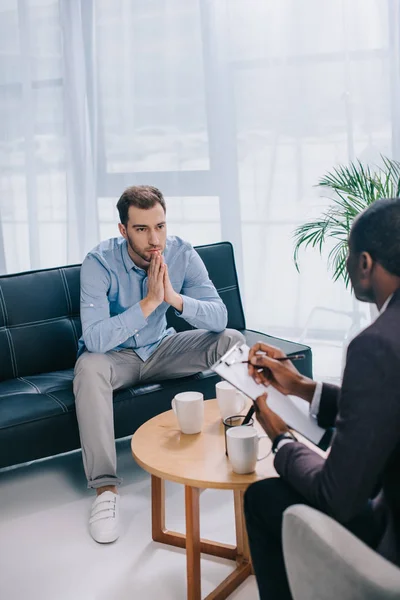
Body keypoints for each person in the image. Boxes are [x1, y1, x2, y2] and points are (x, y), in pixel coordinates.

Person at [244, 197, 400, 599]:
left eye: (349, 255)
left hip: (393, 549)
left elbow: (339, 498)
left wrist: (281, 440)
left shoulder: (376, 345)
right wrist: (300, 386)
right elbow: (386, 403)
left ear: (365, 263)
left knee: (262, 497)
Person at [73, 185, 244, 543]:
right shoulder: (98, 263)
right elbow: (96, 340)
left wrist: (174, 299)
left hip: (163, 350)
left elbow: (220, 316)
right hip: (115, 359)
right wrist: (149, 304)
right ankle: (106, 491)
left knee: (232, 341)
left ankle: (244, 444)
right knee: (88, 368)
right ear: (123, 230)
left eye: (160, 226)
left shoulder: (181, 253)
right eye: (142, 229)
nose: (155, 239)